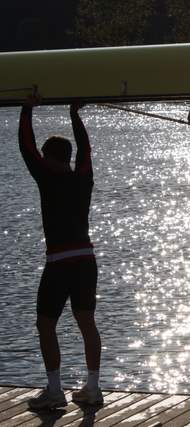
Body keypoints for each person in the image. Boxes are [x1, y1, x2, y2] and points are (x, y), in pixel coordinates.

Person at [19, 97, 103, 410]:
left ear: (52, 158)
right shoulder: (83, 177)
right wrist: (74, 114)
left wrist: (27, 108)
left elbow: (26, 147)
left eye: (45, 157)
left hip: (60, 263)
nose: (40, 160)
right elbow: (85, 150)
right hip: (86, 261)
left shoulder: (48, 177)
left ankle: (55, 391)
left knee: (45, 325)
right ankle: (92, 388)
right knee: (87, 323)